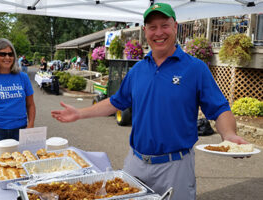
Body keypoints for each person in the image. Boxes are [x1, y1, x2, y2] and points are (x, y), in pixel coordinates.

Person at [51, 3, 248, 199]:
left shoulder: (195, 69)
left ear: (175, 27)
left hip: (175, 166)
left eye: (164, 25)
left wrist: (229, 135)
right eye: (152, 27)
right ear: (145, 31)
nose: (159, 32)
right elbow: (116, 102)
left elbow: (219, 108)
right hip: (136, 163)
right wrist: (79, 113)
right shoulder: (137, 70)